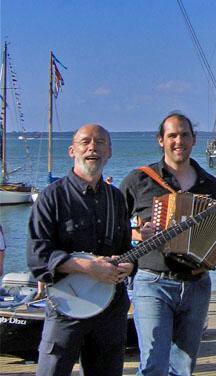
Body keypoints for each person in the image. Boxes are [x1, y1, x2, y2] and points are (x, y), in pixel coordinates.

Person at [120, 112, 216, 376]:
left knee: (184, 366)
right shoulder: (139, 180)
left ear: (194, 140)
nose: (179, 141)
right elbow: (114, 225)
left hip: (196, 283)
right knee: (153, 363)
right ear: (161, 140)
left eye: (184, 135)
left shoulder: (208, 183)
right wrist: (137, 233)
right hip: (153, 281)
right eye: (172, 135)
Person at [27, 124, 133, 376]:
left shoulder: (116, 198)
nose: (92, 147)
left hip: (110, 308)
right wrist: (85, 266)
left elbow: (126, 248)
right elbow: (37, 255)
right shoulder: (52, 197)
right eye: (85, 142)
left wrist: (129, 265)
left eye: (100, 142)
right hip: (66, 306)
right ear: (72, 150)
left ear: (109, 152)